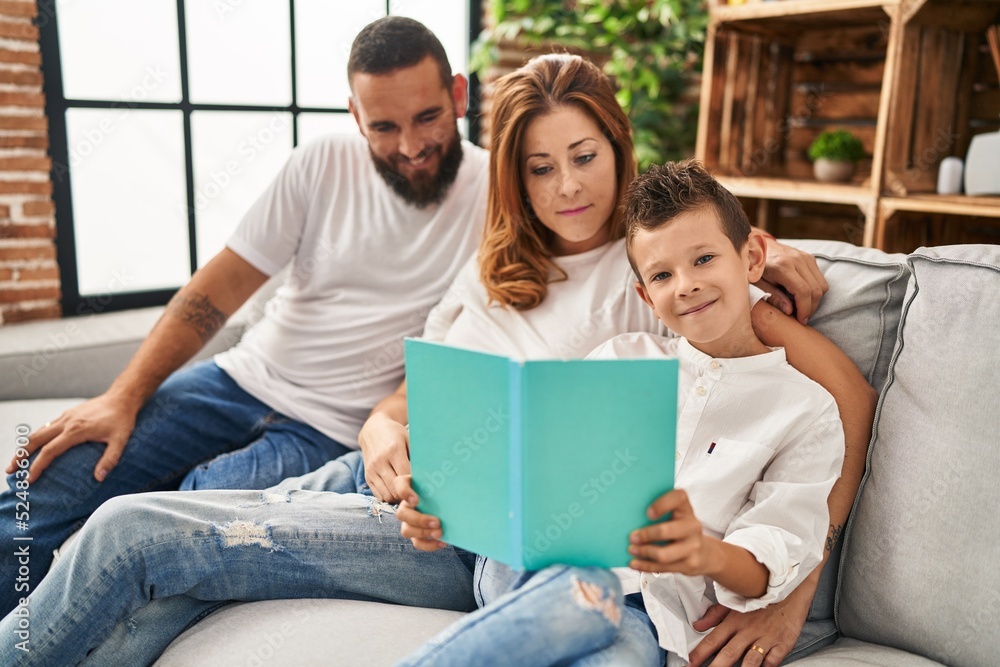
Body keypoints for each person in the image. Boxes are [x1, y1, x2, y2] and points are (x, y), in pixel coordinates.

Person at [0, 54, 872, 667]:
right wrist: (383, 439)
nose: (567, 187)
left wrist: (792, 585)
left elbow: (831, 392)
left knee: (138, 531)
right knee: (156, 539)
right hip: (388, 479)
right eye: (539, 168)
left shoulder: (654, 278)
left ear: (618, 149)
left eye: (584, 158)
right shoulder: (501, 264)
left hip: (473, 537)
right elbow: (408, 399)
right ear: (515, 180)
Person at [0, 15, 489, 615]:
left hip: (328, 429)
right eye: (384, 126)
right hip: (237, 379)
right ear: (355, 116)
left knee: (185, 509)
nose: (410, 146)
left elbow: (473, 336)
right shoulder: (320, 163)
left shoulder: (500, 197)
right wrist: (122, 396)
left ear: (459, 95)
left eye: (428, 118)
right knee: (37, 491)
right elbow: (216, 291)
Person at [395, 159, 846, 667]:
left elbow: (777, 549)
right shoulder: (621, 360)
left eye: (703, 259)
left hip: (643, 616)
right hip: (536, 562)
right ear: (645, 297)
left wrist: (705, 553)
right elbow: (532, 471)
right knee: (587, 587)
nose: (686, 285)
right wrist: (445, 507)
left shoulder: (806, 411)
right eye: (662, 274)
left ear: (751, 258)